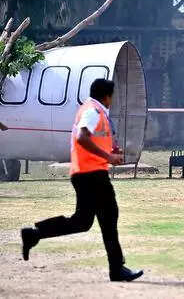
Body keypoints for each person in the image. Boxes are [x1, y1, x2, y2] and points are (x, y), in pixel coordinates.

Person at [20, 79, 143, 282]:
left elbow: (91, 138)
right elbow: (82, 138)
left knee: (82, 222)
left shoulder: (92, 108)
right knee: (109, 217)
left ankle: (34, 234)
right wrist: (109, 157)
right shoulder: (93, 111)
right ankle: (117, 268)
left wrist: (110, 151)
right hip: (91, 174)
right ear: (107, 96)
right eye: (113, 96)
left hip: (85, 173)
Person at [167, 41, 184, 107]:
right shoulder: (172, 57)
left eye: (182, 48)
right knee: (174, 95)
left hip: (183, 79)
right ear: (176, 48)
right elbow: (168, 68)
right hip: (174, 79)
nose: (180, 49)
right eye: (179, 48)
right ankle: (174, 108)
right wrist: (170, 78)